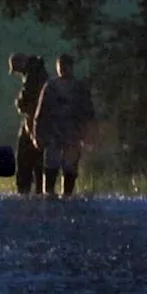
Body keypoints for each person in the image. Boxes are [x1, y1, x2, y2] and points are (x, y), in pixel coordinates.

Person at [33, 53, 96, 198]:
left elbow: (88, 112)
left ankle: (67, 193)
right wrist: (38, 133)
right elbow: (41, 112)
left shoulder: (79, 88)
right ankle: (48, 192)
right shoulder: (51, 86)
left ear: (71, 67)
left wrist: (89, 133)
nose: (62, 69)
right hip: (53, 131)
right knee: (51, 163)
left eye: (65, 66)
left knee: (70, 165)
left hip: (72, 131)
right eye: (60, 66)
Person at [9, 53, 49, 194]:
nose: (18, 73)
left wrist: (20, 104)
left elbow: (28, 101)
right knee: (36, 159)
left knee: (26, 157)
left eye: (16, 69)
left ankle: (26, 189)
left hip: (35, 122)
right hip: (38, 121)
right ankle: (39, 189)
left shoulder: (33, 76)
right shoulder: (37, 72)